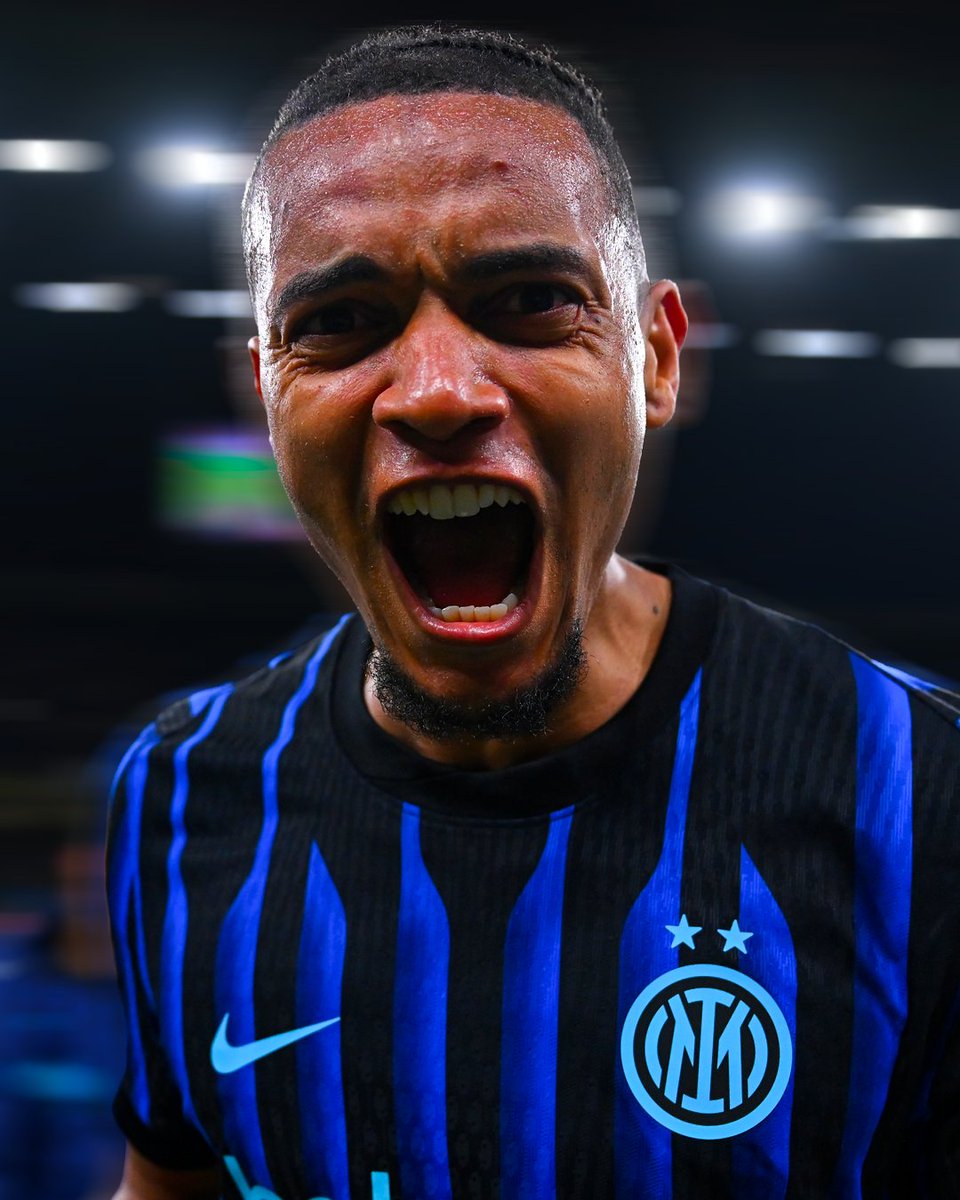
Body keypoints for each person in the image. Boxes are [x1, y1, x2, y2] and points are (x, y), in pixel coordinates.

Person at [106, 24, 960, 1200]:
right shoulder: (176, 792)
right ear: (266, 395)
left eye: (529, 300)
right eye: (340, 322)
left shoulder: (922, 793)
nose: (439, 392)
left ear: (656, 358)